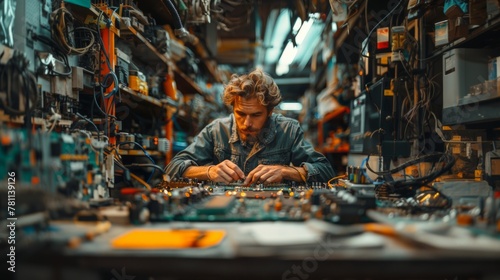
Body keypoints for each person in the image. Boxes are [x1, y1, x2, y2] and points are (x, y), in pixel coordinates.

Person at [164, 69, 335, 185]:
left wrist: (286, 171)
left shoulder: (288, 130)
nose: (247, 123)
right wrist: (209, 171)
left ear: (269, 112)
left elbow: (326, 171)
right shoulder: (216, 130)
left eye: (256, 115)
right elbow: (172, 168)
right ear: (233, 108)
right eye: (240, 114)